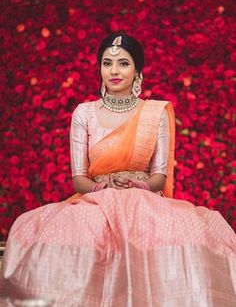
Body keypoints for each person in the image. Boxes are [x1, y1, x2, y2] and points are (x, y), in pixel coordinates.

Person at [0, 33, 235, 306]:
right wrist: (106, 186)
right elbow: (79, 179)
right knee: (48, 228)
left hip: (144, 200)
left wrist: (137, 184)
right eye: (106, 63)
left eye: (123, 63)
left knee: (194, 227)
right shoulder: (84, 113)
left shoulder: (154, 113)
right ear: (99, 68)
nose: (113, 70)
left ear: (137, 70)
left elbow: (159, 178)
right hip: (95, 200)